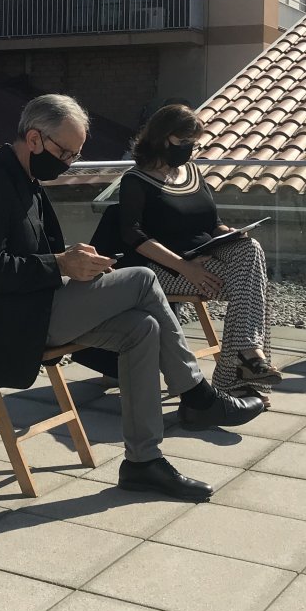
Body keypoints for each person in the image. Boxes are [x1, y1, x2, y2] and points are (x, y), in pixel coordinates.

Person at [0, 94, 264, 502]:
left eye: (75, 155)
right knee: (142, 280)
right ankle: (197, 394)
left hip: (36, 304)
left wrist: (75, 261)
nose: (68, 163)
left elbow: (36, 256)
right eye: (65, 153)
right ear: (33, 138)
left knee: (143, 327)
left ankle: (143, 462)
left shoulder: (27, 180)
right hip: (9, 320)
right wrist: (62, 264)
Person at [120, 104, 280, 402]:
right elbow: (133, 236)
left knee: (250, 249)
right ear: (163, 137)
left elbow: (212, 222)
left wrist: (228, 233)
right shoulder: (136, 181)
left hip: (207, 256)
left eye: (194, 143)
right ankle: (241, 369)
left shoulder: (191, 172)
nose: (190, 149)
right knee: (252, 288)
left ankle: (244, 361)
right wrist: (185, 266)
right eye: (184, 142)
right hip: (163, 269)